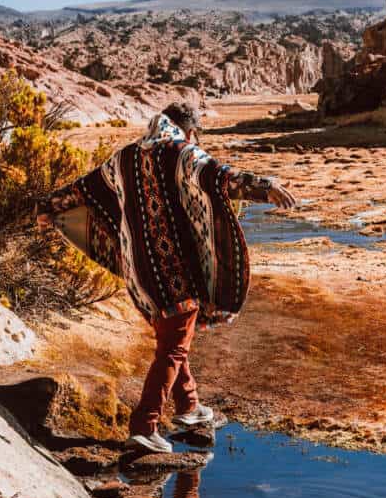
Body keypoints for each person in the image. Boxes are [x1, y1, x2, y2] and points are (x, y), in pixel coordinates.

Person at [36, 101, 296, 453]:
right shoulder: (181, 152)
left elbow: (81, 190)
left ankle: (189, 407)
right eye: (197, 137)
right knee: (173, 347)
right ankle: (144, 425)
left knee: (174, 339)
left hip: (139, 273)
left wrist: (46, 208)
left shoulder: (123, 157)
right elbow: (218, 176)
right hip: (174, 274)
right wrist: (264, 186)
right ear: (190, 132)